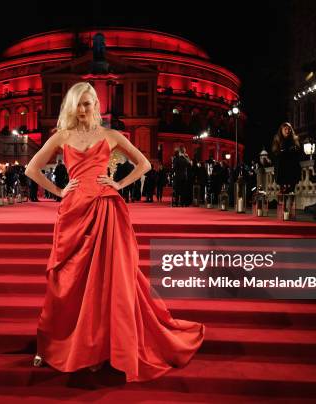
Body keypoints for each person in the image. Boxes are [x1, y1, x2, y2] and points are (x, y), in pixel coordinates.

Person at [24, 82, 204, 383]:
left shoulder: (110, 135)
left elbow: (143, 163)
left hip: (106, 210)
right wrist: (59, 190)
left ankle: (100, 347)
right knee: (68, 279)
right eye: (81, 103)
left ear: (97, 105)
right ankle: (69, 344)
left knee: (107, 280)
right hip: (73, 212)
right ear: (72, 106)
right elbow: (32, 168)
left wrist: (119, 185)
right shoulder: (62, 136)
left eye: (90, 102)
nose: (86, 108)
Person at [271, 122, 302, 193]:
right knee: (283, 193)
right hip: (281, 172)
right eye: (285, 129)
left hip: (292, 171)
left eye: (289, 129)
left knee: (291, 192)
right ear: (281, 130)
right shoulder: (277, 140)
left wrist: (292, 150)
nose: (287, 131)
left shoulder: (294, 140)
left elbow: (299, 152)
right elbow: (275, 154)